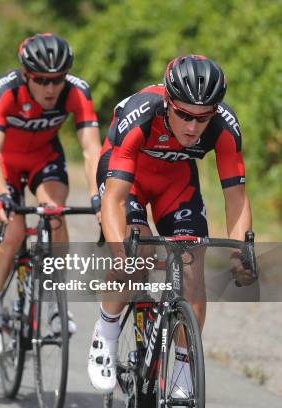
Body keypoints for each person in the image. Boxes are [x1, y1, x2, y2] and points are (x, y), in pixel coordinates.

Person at [87, 55, 252, 400]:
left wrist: (241, 251)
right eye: (184, 115)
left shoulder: (224, 126)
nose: (193, 127)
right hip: (126, 180)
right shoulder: (140, 113)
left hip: (175, 183)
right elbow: (114, 198)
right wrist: (122, 254)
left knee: (193, 259)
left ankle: (180, 367)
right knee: (139, 250)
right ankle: (106, 331)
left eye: (202, 118)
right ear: (167, 102)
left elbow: (235, 196)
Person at [0, 33, 102, 356]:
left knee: (55, 213)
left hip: (44, 159)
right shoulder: (4, 91)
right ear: (27, 75)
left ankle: (56, 302)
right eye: (41, 80)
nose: (50, 88)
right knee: (13, 233)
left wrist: (100, 195)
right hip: (4, 166)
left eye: (56, 80)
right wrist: (1, 194)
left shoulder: (76, 91)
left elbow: (91, 149)